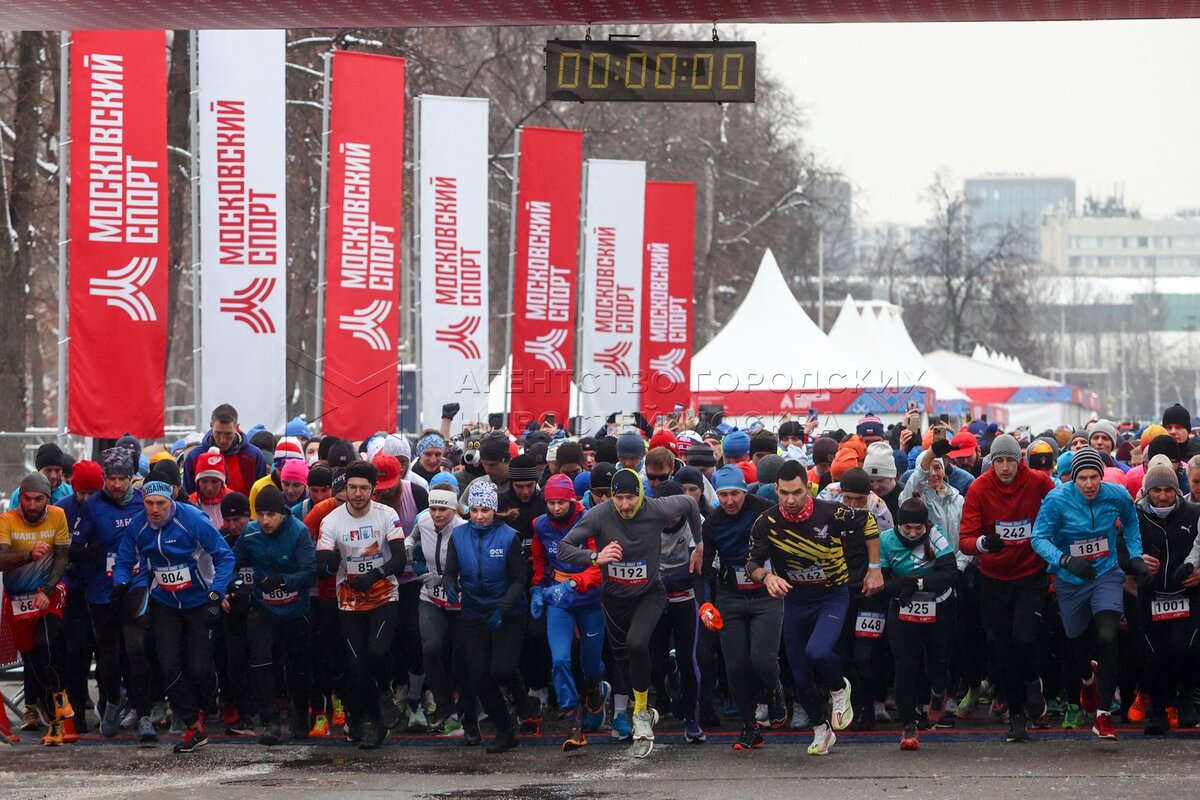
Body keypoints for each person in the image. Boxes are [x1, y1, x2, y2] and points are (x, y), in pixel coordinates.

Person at [556, 468, 703, 758]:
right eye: (619, 498)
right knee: (623, 659)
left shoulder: (657, 508)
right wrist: (595, 556)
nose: (625, 505)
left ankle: (641, 714)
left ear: (641, 495)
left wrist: (699, 544)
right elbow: (563, 548)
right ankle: (641, 707)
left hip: (649, 594)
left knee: (637, 643)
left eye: (630, 498)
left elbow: (689, 504)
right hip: (614, 599)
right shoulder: (599, 515)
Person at [746, 459, 882, 756]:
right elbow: (752, 563)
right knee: (799, 675)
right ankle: (821, 729)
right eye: (784, 493)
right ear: (776, 490)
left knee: (818, 651)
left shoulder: (831, 512)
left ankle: (838, 687)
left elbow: (869, 523)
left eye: (797, 492)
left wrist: (875, 569)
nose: (790, 500)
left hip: (831, 596)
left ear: (808, 488)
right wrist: (766, 577)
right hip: (795, 600)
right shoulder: (766, 522)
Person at [1031, 447, 1148, 740]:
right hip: (1070, 580)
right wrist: (1065, 560)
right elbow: (1038, 538)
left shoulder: (1116, 495)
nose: (1089, 484)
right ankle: (1087, 678)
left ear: (1101, 476)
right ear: (1073, 479)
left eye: (1094, 477)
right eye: (1082, 478)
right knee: (1076, 642)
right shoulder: (1057, 499)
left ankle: (1103, 715)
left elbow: (1131, 522)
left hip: (1105, 574)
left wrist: (1135, 555)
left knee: (1108, 636)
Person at [111, 480, 236, 753]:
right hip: (165, 602)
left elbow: (225, 557)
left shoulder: (192, 520)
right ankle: (193, 725)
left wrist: (216, 593)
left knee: (199, 668)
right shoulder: (138, 525)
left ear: (172, 501)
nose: (154, 510)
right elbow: (123, 559)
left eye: (161, 504)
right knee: (168, 665)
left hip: (199, 600)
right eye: (149, 503)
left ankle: (209, 694)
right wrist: (120, 581)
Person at [958, 434, 1056, 741]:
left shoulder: (1038, 481)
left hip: (1030, 573)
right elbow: (965, 539)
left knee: (1023, 638)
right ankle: (1016, 715)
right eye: (998, 461)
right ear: (991, 462)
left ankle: (1032, 681)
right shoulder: (979, 487)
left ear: (1019, 461)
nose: (1004, 467)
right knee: (1001, 648)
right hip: (994, 578)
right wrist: (984, 543)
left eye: (1010, 461)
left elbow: (1061, 506)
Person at [316, 460, 408, 749]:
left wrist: (376, 574)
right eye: (353, 488)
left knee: (378, 651)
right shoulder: (332, 520)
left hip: (383, 595)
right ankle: (374, 723)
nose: (357, 494)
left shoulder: (386, 514)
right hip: (349, 601)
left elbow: (399, 559)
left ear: (373, 489)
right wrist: (328, 563)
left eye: (364, 488)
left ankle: (386, 690)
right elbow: (321, 562)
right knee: (357, 666)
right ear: (345, 488)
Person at [440, 480, 532, 753]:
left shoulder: (508, 537)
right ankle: (505, 731)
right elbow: (450, 572)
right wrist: (449, 586)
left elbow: (519, 580)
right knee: (479, 675)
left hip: (508, 612)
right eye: (475, 510)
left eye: (485, 510)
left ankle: (521, 695)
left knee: (501, 669)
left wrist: (502, 609)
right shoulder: (459, 535)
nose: (479, 516)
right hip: (473, 613)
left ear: (494, 510)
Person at [701, 465, 781, 749]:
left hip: (766, 593)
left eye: (735, 493)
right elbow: (706, 569)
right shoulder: (712, 523)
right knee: (735, 665)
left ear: (745, 491)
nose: (729, 501)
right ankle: (749, 728)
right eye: (723, 495)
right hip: (730, 596)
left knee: (762, 659)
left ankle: (775, 689)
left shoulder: (766, 510)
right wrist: (705, 603)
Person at [229, 485, 316, 744]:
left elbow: (309, 572)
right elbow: (231, 563)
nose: (265, 521)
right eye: (261, 514)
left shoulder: (299, 531)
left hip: (295, 608)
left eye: (271, 515)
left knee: (298, 665)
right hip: (264, 607)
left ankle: (300, 713)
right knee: (259, 661)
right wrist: (236, 586)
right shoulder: (250, 532)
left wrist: (283, 581)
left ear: (283, 514)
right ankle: (270, 721)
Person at [530, 474, 608, 750]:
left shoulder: (589, 520)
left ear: (572, 500)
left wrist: (574, 584)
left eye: (561, 502)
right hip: (558, 597)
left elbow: (599, 565)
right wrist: (537, 588)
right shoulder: (540, 525)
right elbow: (540, 561)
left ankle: (596, 688)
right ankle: (573, 722)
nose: (556, 508)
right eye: (551, 502)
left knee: (590, 663)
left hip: (589, 596)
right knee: (560, 659)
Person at [880, 497, 960, 751]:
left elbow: (950, 572)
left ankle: (938, 692)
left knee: (937, 663)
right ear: (899, 525)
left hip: (938, 605)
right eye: (908, 528)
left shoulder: (935, 535)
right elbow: (881, 580)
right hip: (903, 607)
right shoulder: (885, 540)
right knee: (905, 666)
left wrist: (917, 584)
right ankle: (908, 726)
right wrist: (900, 588)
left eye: (918, 529)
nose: (913, 534)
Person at [0, 473, 71, 745]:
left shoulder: (58, 516)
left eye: (38, 499)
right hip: (17, 599)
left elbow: (62, 558)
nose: (31, 505)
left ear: (47, 499)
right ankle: (53, 718)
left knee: (46, 643)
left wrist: (48, 590)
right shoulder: (7, 520)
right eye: (27, 499)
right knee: (32, 659)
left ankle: (61, 700)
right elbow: (1, 560)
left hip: (48, 593)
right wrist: (29, 555)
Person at [1132, 455, 1200, 733]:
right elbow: (1120, 549)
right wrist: (1136, 562)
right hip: (1150, 596)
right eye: (1157, 490)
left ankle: (1185, 698)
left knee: (1184, 647)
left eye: (1168, 490)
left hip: (1186, 594)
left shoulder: (1194, 513)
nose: (1162, 496)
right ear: (1147, 491)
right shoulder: (1135, 515)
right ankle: (1158, 710)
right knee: (1153, 655)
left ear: (1177, 490)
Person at [411, 481, 473, 740]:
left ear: (454, 509)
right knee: (431, 648)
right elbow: (414, 542)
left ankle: (466, 709)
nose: (437, 515)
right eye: (433, 508)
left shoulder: (464, 528)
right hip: (430, 598)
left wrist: (450, 581)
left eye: (443, 510)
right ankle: (443, 705)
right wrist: (412, 556)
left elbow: (474, 570)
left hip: (459, 600)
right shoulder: (424, 520)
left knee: (461, 660)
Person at [648, 481, 704, 744]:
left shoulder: (696, 522)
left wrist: (670, 580)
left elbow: (696, 570)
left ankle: (691, 718)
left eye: (676, 512)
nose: (671, 518)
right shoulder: (647, 524)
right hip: (655, 600)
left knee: (688, 660)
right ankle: (668, 671)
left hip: (685, 599)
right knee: (654, 661)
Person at [182, 403, 269, 496]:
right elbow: (188, 498)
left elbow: (260, 496)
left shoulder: (253, 456)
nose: (223, 440)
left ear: (237, 427)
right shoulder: (194, 457)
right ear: (211, 425)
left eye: (228, 434)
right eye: (218, 433)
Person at [8, 443, 73, 510]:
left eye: (57, 470)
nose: (53, 476)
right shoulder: (21, 494)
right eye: (48, 470)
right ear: (39, 470)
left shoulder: (70, 492)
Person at [190, 447, 231, 529]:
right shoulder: (190, 503)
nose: (209, 488)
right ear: (197, 482)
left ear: (222, 482)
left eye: (215, 481)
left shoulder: (233, 500)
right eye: (204, 481)